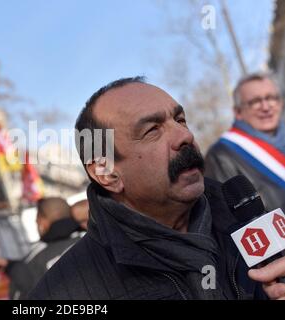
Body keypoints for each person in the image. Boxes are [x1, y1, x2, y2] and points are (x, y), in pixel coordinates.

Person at [29, 76, 278, 300]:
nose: (185, 136)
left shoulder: (245, 216)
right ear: (106, 173)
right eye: (152, 130)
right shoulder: (66, 292)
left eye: (180, 120)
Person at [205, 73, 285, 211]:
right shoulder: (221, 155)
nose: (266, 107)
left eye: (271, 98)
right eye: (255, 101)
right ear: (238, 112)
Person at [0, 197, 82, 299]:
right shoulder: (89, 241)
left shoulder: (41, 256)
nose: (37, 223)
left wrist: (11, 267)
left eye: (37, 219)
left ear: (43, 220)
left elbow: (28, 282)